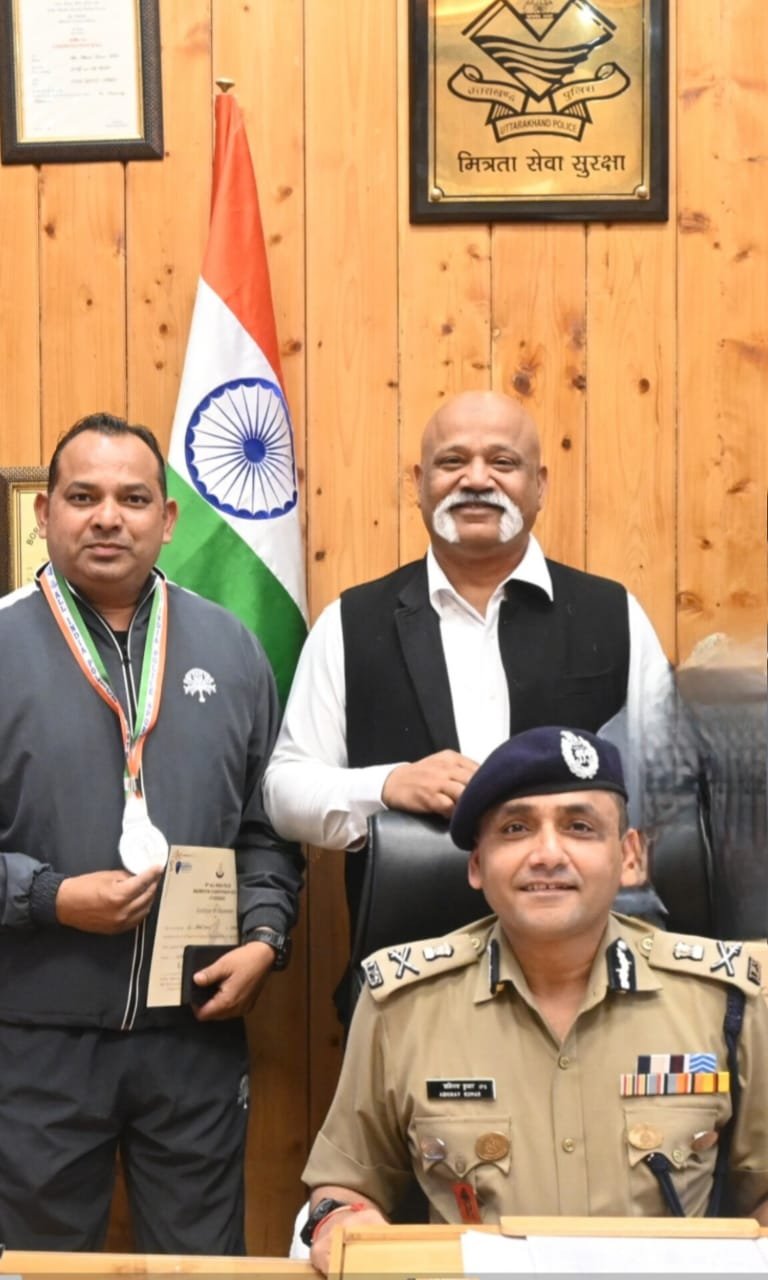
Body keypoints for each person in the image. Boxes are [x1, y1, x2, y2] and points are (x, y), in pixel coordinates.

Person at [301, 726, 768, 1275]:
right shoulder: (402, 1005)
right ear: (477, 864)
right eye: (516, 828)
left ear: (629, 857)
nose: (547, 854)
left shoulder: (726, 999)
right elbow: (346, 1185)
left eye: (579, 827)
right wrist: (341, 1219)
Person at [0, 412, 304, 1254]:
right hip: (33, 1040)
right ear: (44, 514)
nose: (108, 517)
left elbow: (267, 826)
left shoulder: (232, 648)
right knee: (37, 1268)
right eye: (83, 497)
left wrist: (266, 935)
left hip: (195, 1036)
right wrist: (49, 898)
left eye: (133, 499)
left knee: (203, 1267)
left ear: (167, 519)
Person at [263, 391, 672, 977]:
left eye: (502, 462)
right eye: (453, 461)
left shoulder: (613, 615)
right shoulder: (350, 624)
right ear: (419, 483)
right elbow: (283, 792)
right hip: (409, 976)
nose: (476, 479)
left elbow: (674, 784)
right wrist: (388, 784)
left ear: (540, 485)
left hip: (591, 972)